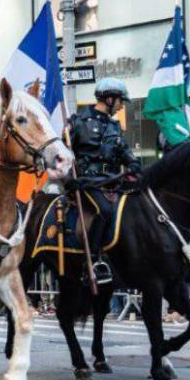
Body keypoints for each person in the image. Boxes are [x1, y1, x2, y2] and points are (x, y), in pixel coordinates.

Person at [66, 78, 142, 285]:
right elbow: (64, 155)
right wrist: (69, 179)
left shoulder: (114, 126)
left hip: (111, 182)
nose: (121, 105)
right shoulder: (78, 122)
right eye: (120, 101)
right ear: (108, 99)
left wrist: (135, 165)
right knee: (105, 211)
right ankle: (91, 262)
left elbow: (124, 151)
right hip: (86, 183)